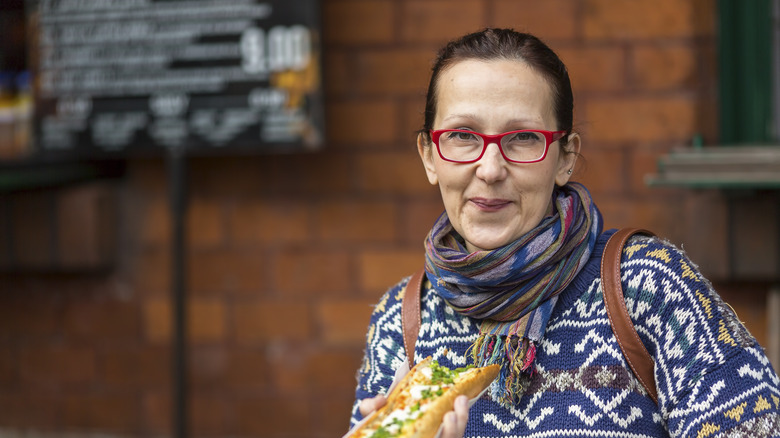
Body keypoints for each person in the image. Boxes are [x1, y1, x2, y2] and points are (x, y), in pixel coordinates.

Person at [347, 28, 780, 437]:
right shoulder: (401, 322)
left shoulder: (649, 287)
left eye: (522, 138)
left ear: (564, 158)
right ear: (429, 156)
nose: (491, 169)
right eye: (463, 135)